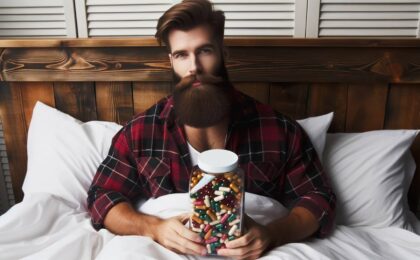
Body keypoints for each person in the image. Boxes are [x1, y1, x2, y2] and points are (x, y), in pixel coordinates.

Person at [87, 0, 336, 259]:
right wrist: (154, 227)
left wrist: (273, 234)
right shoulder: (142, 131)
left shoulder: (278, 129)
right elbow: (101, 195)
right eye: (182, 55)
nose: (194, 66)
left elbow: (319, 198)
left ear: (223, 54)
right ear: (171, 61)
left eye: (204, 50)